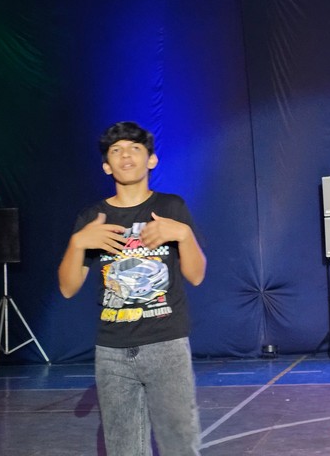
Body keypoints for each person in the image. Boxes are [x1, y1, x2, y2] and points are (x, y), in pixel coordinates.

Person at [58, 121, 206, 456]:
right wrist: (78, 243)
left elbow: (196, 275)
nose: (126, 155)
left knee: (179, 446)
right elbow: (67, 288)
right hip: (112, 351)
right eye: (116, 150)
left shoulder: (171, 208)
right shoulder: (93, 216)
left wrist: (183, 235)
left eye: (135, 148)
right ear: (106, 165)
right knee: (123, 449)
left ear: (151, 160)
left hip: (166, 345)